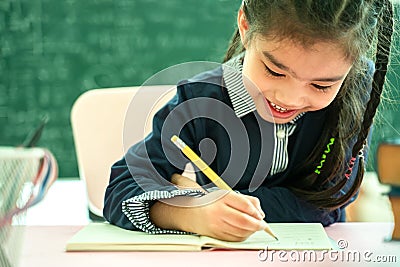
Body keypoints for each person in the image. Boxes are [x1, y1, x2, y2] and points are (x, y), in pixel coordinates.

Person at [103, 0, 394, 241]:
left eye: (321, 86)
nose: (289, 98)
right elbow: (121, 188)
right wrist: (191, 212)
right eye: (274, 71)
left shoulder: (355, 89)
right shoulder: (199, 100)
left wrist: (202, 195)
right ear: (245, 25)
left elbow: (328, 202)